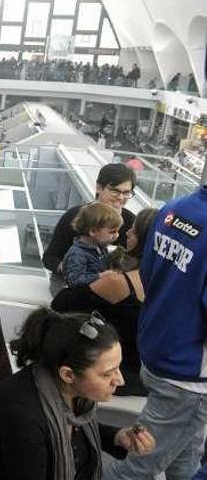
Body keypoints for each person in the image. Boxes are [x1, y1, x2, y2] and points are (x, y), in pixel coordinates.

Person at [0, 308, 155, 479]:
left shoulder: (65, 391)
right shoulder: (22, 412)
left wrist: (118, 436)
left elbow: (75, 429)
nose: (120, 380)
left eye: (118, 368)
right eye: (106, 374)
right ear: (68, 374)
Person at [104, 187, 207, 479]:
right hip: (187, 379)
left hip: (158, 351)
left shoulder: (176, 208)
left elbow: (148, 274)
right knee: (135, 470)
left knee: (185, 460)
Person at [52, 208, 159, 396]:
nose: (126, 233)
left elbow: (61, 303)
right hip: (149, 375)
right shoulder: (170, 279)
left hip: (117, 373)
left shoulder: (118, 283)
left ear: (145, 240)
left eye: (133, 230)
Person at [42, 163, 137, 291]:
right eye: (115, 191)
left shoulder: (131, 221)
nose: (120, 198)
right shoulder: (74, 216)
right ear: (99, 187)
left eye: (126, 193)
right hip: (70, 283)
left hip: (111, 285)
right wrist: (73, 270)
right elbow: (50, 258)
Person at [61, 202, 121, 288]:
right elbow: (75, 280)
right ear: (93, 231)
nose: (117, 235)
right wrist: (100, 276)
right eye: (112, 232)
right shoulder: (77, 253)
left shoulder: (100, 247)